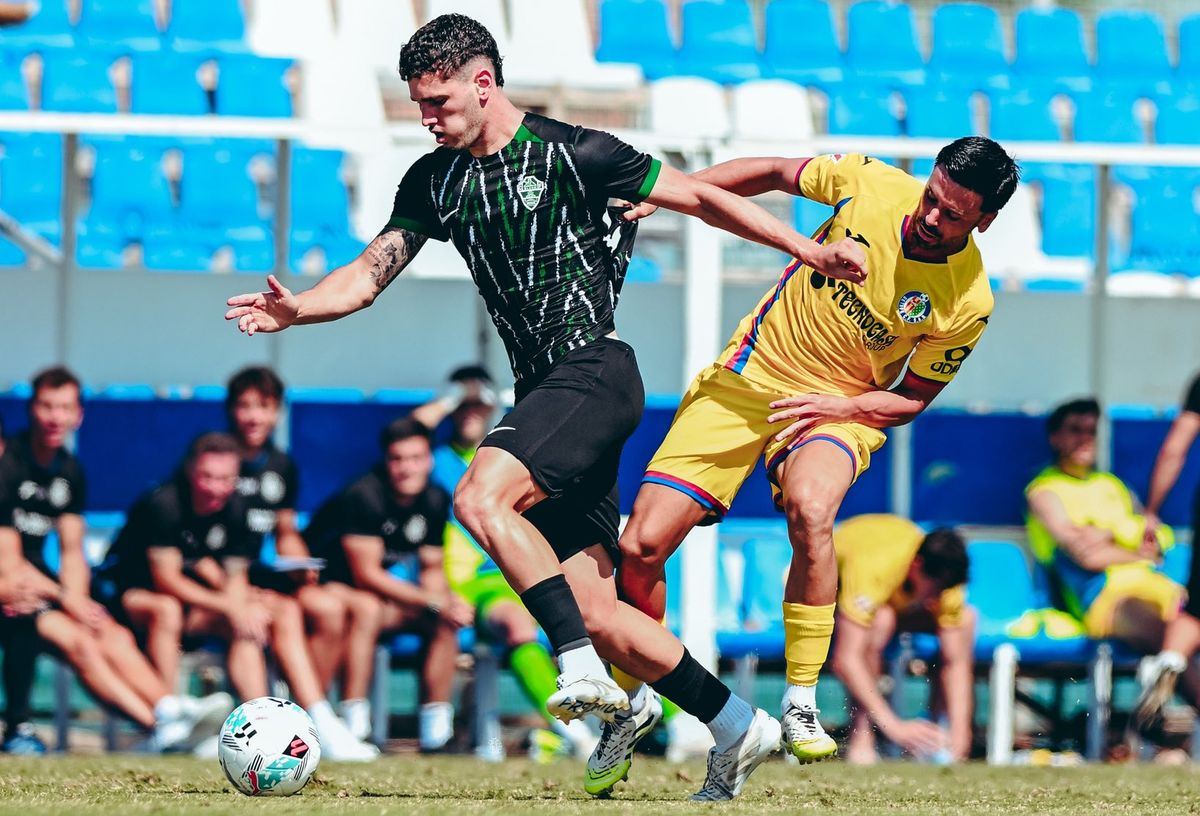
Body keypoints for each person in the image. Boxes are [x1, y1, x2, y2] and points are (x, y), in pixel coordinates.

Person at [225, 13, 868, 800]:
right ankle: (736, 722)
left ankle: (576, 669)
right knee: (596, 609)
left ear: (482, 83)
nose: (426, 118)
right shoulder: (435, 181)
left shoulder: (576, 151)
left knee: (478, 496)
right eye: (419, 104)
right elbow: (366, 275)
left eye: (437, 102)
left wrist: (809, 250)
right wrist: (299, 309)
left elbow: (700, 196)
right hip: (547, 398)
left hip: (594, 372)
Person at [610, 138, 1018, 776]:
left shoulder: (968, 301)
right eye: (932, 197)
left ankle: (800, 699)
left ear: (984, 221)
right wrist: (672, 193)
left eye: (953, 214)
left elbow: (911, 398)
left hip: (837, 409)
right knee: (640, 546)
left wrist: (843, 407)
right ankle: (631, 701)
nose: (932, 216)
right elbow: (775, 171)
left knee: (811, 507)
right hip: (746, 378)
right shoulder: (870, 182)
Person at [95, 432, 377, 760]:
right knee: (169, 609)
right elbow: (167, 580)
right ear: (190, 471)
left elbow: (234, 576)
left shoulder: (239, 507)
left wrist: (241, 607)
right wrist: (232, 605)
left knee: (272, 613)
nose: (216, 487)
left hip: (198, 604)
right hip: (133, 598)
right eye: (208, 477)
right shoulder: (164, 503)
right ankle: (172, 724)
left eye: (225, 479)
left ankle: (301, 724)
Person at [0, 367, 230, 753]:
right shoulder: (9, 464)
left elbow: (72, 551)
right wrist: (65, 597)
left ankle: (169, 710)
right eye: (47, 406)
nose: (55, 417)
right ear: (31, 409)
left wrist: (77, 599)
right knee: (81, 642)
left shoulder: (70, 470)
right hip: (16, 594)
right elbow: (8, 563)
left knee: (111, 632)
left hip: (45, 589)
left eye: (65, 408)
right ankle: (159, 727)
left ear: (79, 415)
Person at [413, 367, 597, 761]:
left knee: (605, 614)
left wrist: (500, 403)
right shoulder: (435, 461)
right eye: (462, 406)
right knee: (517, 623)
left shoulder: (510, 457)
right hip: (468, 586)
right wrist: (450, 398)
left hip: (519, 572)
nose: (470, 411)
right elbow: (401, 436)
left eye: (478, 404)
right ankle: (574, 732)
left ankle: (678, 723)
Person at [225, 365, 377, 739]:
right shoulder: (216, 460)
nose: (254, 417)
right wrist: (238, 591)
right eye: (245, 406)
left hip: (265, 576)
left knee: (330, 608)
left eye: (263, 407)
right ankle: (278, 726)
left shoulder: (281, 465)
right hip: (223, 583)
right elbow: (204, 545)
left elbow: (286, 530)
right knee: (277, 614)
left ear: (277, 412)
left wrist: (300, 563)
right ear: (231, 410)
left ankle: (306, 718)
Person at [304, 418, 472, 753]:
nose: (407, 468)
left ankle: (437, 736)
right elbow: (366, 575)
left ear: (429, 460)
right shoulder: (363, 494)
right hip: (326, 583)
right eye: (398, 459)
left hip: (375, 593)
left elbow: (431, 569)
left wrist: (447, 602)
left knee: (444, 621)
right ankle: (355, 727)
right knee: (367, 609)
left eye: (416, 458)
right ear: (386, 461)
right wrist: (433, 600)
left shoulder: (435, 498)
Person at [828, 516, 974, 764]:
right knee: (880, 621)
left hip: (892, 602)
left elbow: (956, 663)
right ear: (917, 565)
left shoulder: (945, 580)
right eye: (934, 589)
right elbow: (846, 660)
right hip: (826, 596)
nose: (937, 598)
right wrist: (894, 726)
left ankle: (939, 736)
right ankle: (862, 736)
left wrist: (962, 736)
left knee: (965, 621)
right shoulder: (872, 568)